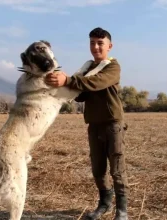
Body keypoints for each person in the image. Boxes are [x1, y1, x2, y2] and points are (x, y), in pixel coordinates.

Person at [45, 27, 129, 220]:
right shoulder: (87, 69)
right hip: (94, 125)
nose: (96, 47)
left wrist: (68, 80)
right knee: (98, 169)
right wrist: (62, 84)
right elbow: (81, 95)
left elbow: (96, 83)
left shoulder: (112, 67)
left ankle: (122, 211)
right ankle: (105, 203)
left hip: (112, 124)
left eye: (100, 43)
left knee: (117, 168)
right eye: (92, 43)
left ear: (110, 46)